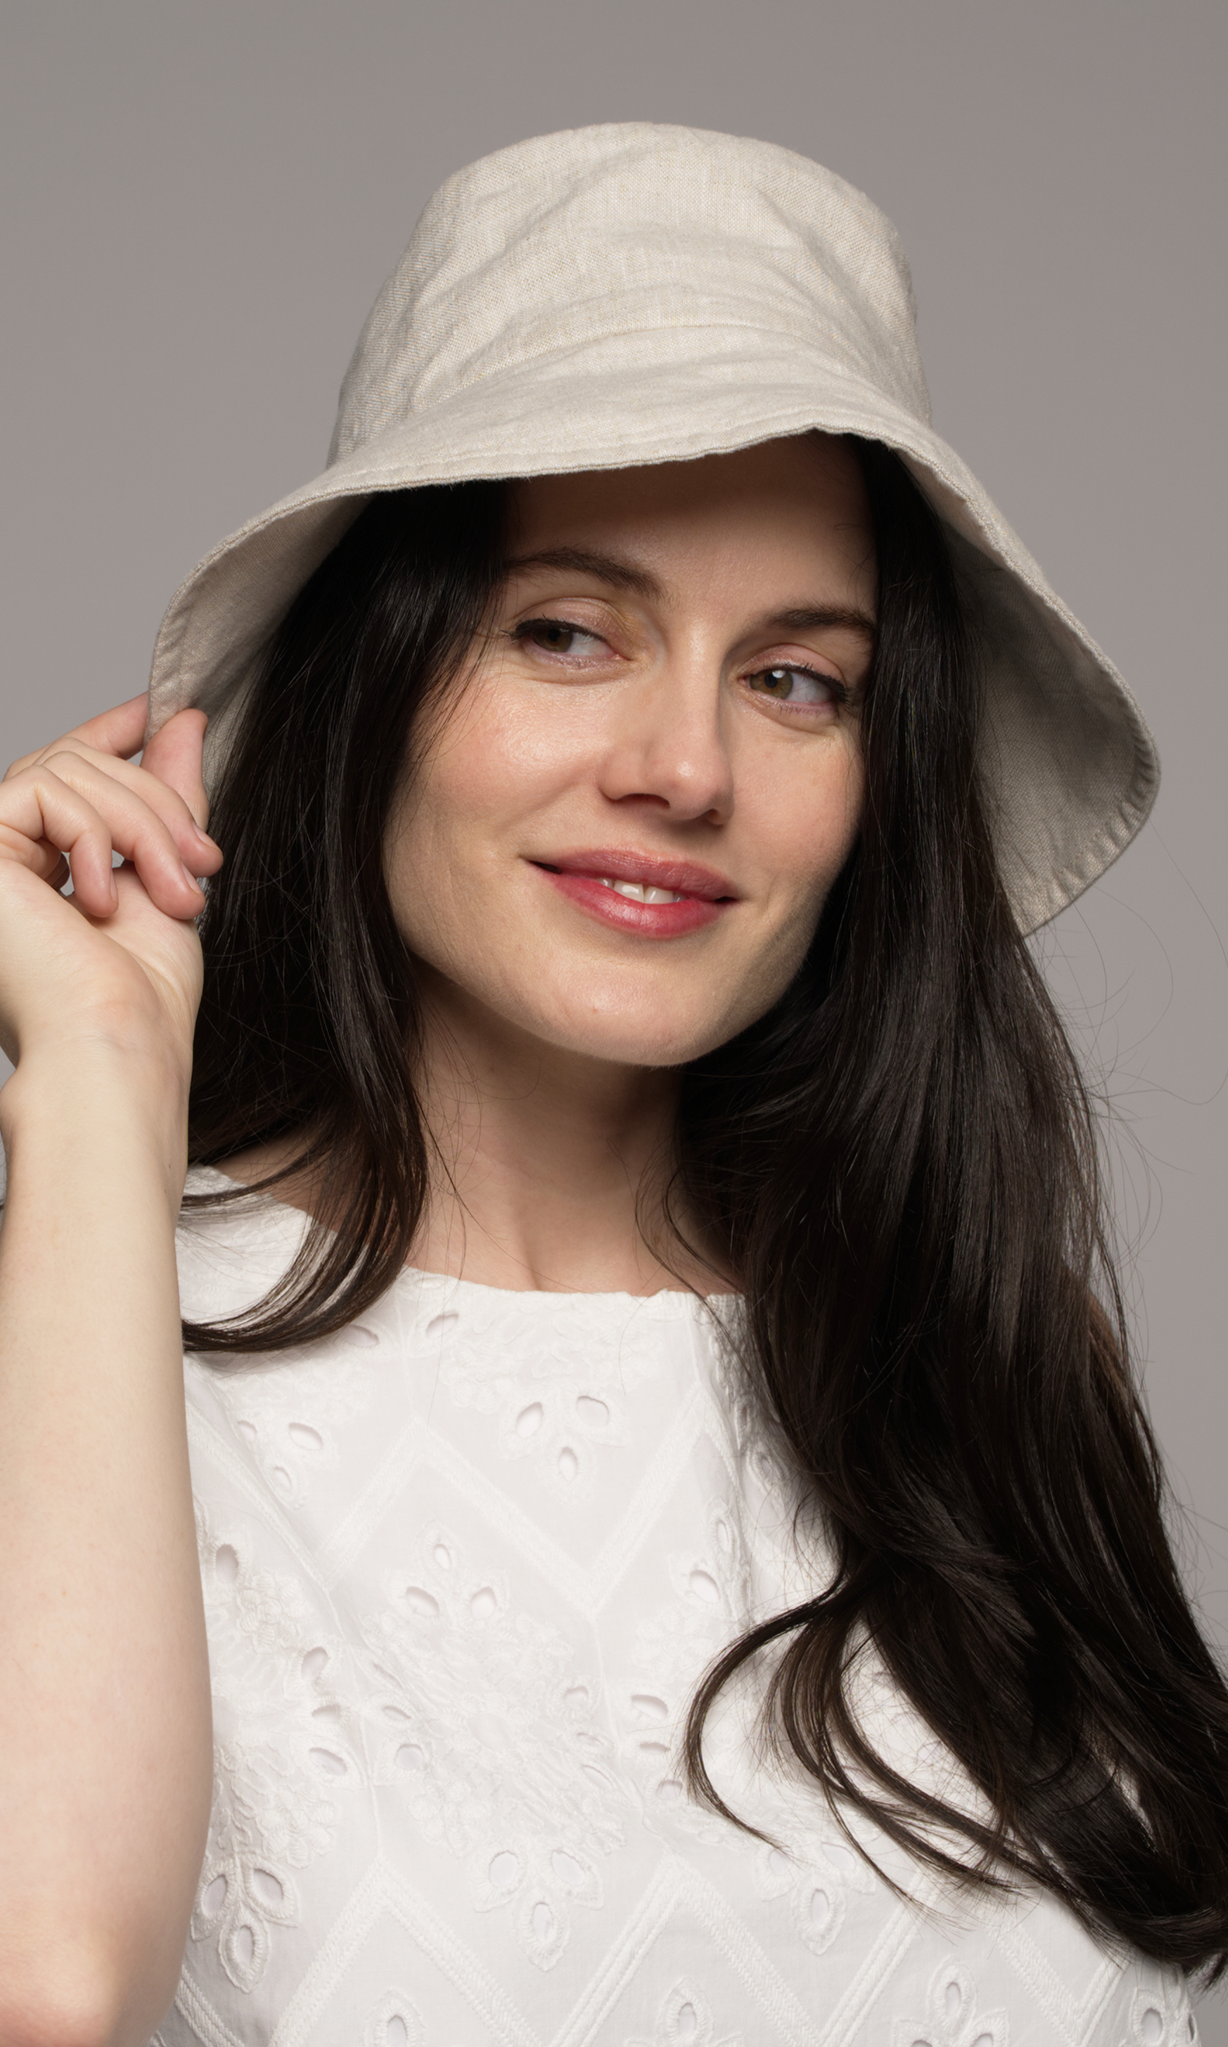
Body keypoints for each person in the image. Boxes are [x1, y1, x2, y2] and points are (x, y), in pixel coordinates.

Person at [0, 123, 1223, 2047]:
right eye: (568, 630)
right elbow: (48, 1991)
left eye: (798, 678)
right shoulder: (72, 1326)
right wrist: (90, 1083)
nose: (687, 766)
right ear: (380, 676)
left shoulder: (987, 1351)